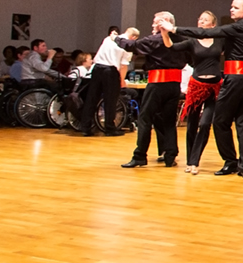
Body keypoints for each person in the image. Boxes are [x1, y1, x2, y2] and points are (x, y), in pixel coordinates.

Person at [168, 0, 243, 178]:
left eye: (235, 7)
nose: (231, 9)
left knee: (220, 121)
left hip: (236, 78)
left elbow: (204, 33)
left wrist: (174, 28)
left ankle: (231, 161)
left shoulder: (236, 27)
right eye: (231, 6)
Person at [119, 13, 190, 169]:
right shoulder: (183, 40)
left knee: (145, 118)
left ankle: (140, 156)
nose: (152, 26)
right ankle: (170, 155)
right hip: (174, 85)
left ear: (165, 22)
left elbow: (131, 45)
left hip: (157, 84)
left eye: (155, 22)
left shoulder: (155, 40)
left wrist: (116, 38)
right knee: (169, 121)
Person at [172, 11, 222, 176]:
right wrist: (165, 33)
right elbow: (172, 47)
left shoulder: (220, 41)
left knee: (205, 124)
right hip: (196, 86)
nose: (201, 22)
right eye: (200, 19)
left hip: (214, 87)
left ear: (213, 25)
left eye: (205, 20)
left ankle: (195, 160)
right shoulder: (192, 41)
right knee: (192, 124)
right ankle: (190, 161)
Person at [78, 28, 133, 137]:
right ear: (134, 37)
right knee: (110, 100)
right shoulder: (127, 44)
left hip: (97, 68)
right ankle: (109, 128)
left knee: (92, 98)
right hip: (110, 71)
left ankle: (85, 127)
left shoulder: (108, 39)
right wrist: (122, 80)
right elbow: (123, 65)